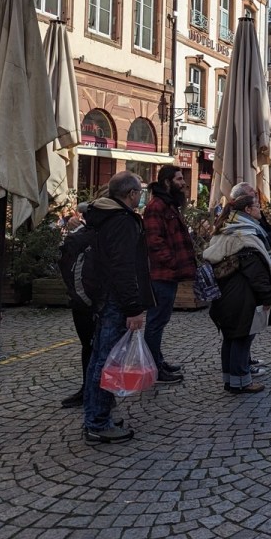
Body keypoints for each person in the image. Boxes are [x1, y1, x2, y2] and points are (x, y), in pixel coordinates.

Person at [82, 172, 155, 444]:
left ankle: (95, 414)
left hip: (103, 297)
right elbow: (124, 268)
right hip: (115, 299)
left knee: (99, 358)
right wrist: (133, 308)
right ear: (132, 194)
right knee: (106, 360)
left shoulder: (101, 214)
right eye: (140, 193)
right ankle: (98, 422)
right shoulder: (122, 221)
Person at [203, 193, 271, 393]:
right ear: (247, 210)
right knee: (241, 337)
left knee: (231, 336)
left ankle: (230, 379)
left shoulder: (226, 229)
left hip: (225, 294)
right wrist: (268, 297)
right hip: (240, 295)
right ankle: (241, 382)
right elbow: (255, 272)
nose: (260, 210)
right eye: (257, 206)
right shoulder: (244, 235)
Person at [143, 165, 195, 385]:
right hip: (162, 275)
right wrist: (173, 263)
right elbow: (154, 241)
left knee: (160, 322)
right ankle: (153, 368)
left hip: (169, 274)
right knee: (155, 323)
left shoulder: (168, 204)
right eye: (180, 179)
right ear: (167, 182)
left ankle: (157, 361)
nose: (183, 183)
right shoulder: (157, 206)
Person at [60, 202, 93, 409]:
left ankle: (94, 392)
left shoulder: (83, 237)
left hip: (86, 301)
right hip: (86, 300)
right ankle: (92, 390)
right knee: (91, 346)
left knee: (92, 347)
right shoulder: (86, 236)